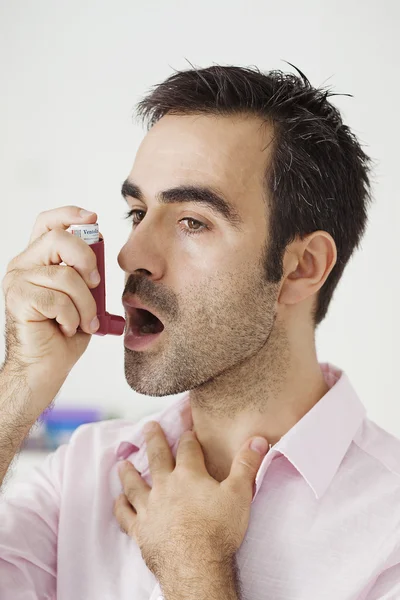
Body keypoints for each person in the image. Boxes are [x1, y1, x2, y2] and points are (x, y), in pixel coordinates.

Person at [0, 64, 399, 600]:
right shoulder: (83, 471)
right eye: (138, 212)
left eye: (193, 221)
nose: (130, 254)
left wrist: (195, 569)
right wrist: (22, 382)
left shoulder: (390, 527)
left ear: (301, 267)